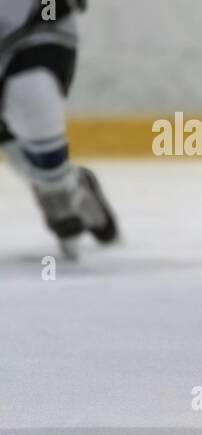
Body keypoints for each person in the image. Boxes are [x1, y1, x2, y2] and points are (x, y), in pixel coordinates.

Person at [0, 0, 118, 259]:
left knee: (30, 95)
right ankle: (69, 183)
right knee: (17, 146)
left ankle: (57, 190)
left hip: (34, 26)